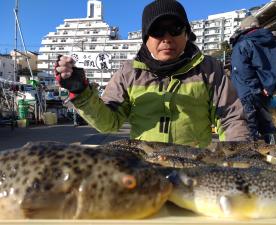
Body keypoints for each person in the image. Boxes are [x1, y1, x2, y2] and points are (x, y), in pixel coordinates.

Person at [55, 0, 250, 148]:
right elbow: (109, 122)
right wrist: (81, 92)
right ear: (146, 38)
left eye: (175, 29)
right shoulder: (129, 72)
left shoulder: (209, 69)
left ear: (187, 34)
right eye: (157, 31)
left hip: (195, 170)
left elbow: (230, 118)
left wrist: (241, 154)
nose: (167, 38)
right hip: (144, 170)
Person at [230, 15, 276, 144]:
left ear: (244, 28)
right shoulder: (272, 43)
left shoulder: (243, 43)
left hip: (246, 93)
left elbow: (241, 69)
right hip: (265, 94)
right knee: (267, 126)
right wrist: (269, 87)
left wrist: (255, 88)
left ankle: (251, 160)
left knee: (248, 127)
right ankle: (272, 153)